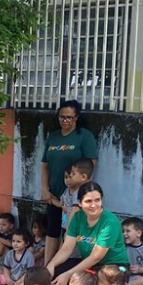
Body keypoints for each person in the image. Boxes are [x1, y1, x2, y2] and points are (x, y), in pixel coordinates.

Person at [44, 183, 129, 285]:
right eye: (88, 201)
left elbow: (96, 256)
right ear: (80, 203)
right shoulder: (77, 218)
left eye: (97, 200)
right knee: (58, 269)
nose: (94, 205)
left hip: (113, 267)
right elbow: (66, 248)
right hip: (92, 265)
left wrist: (67, 275)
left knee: (85, 279)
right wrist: (51, 265)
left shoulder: (110, 222)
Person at [40, 101, 98, 261]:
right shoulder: (54, 136)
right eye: (62, 117)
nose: (65, 121)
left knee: (69, 232)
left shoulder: (84, 137)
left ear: (76, 117)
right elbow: (44, 165)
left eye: (69, 118)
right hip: (55, 193)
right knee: (52, 230)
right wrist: (45, 189)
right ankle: (46, 267)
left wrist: (83, 193)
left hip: (75, 195)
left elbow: (91, 165)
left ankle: (57, 267)